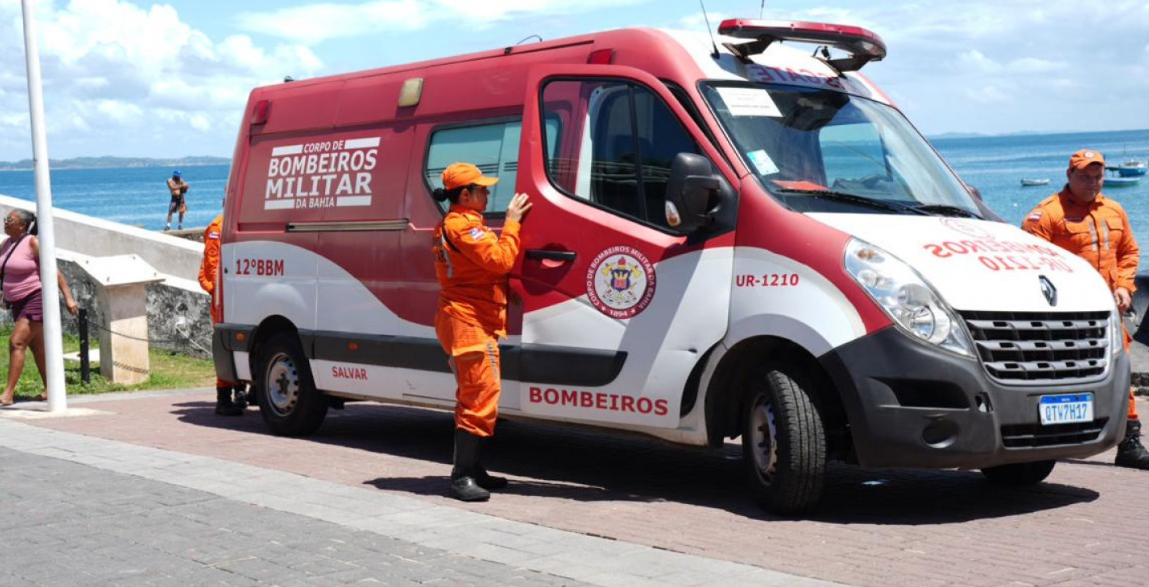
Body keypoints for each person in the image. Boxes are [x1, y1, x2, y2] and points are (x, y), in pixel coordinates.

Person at [1022, 148, 1149, 470]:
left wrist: (1124, 286)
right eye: (1085, 176)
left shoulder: (1114, 211)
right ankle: (1038, 443)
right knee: (1054, 378)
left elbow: (1129, 252)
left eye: (1098, 176)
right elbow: (1029, 265)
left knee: (1120, 372)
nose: (1093, 182)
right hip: (1064, 316)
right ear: (1069, 175)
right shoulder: (1046, 215)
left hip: (1108, 313)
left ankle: (1129, 443)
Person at [431, 162, 531, 501]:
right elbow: (500, 260)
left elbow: (475, 271)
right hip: (468, 323)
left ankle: (473, 468)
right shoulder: (463, 227)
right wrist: (513, 222)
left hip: (467, 319)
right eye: (482, 188)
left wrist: (504, 289)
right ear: (465, 195)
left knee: (473, 395)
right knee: (480, 396)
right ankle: (462, 476)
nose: (488, 193)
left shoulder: (457, 224)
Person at [0, 210, 78, 406]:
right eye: (5, 219)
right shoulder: (6, 244)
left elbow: (53, 270)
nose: (5, 222)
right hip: (16, 302)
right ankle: (51, 388)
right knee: (38, 347)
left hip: (35, 298)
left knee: (17, 342)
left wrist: (68, 297)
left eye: (10, 220)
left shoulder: (33, 243)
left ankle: (8, 394)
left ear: (22, 225)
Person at [198, 212, 244, 416]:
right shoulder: (218, 227)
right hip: (223, 295)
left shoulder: (237, 221)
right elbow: (212, 264)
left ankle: (241, 392)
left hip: (237, 291)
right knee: (225, 344)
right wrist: (219, 293)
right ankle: (223, 398)